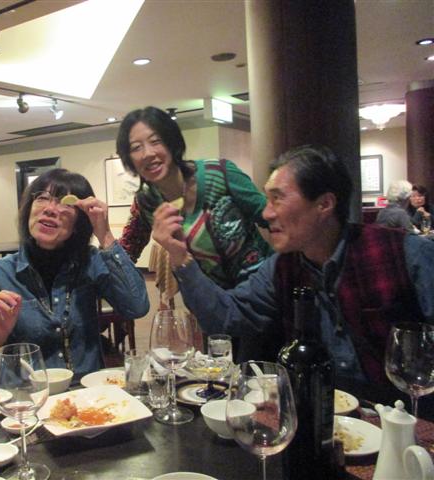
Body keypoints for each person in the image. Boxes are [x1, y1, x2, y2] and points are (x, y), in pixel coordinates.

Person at [153, 144, 434, 386]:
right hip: (322, 417)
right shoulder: (281, 268)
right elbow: (226, 316)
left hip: (408, 419)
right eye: (267, 199)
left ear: (324, 204)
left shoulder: (406, 253)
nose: (266, 213)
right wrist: (181, 257)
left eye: (277, 198)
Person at [0, 169, 149, 393]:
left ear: (79, 223)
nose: (50, 209)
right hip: (25, 402)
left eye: (65, 202)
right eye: (42, 198)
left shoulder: (90, 262)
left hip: (85, 396)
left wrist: (105, 235)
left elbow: (137, 306)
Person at [116, 106, 271, 290]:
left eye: (155, 141)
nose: (148, 153)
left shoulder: (220, 173)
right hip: (211, 300)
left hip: (265, 289)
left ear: (172, 142)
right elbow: (127, 251)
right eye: (136, 147)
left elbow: (272, 217)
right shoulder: (147, 202)